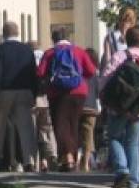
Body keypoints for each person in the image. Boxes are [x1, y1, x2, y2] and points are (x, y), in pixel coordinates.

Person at [38, 27, 97, 172]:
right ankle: (72, 158)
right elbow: (91, 71)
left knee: (60, 126)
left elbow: (40, 72)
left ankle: (68, 159)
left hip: (57, 93)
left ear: (54, 39)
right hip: (78, 93)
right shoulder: (79, 51)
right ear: (68, 37)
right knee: (73, 124)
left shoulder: (50, 53)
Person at [104, 27, 139, 188]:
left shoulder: (119, 56)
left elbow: (105, 78)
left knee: (114, 137)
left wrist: (106, 98)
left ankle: (122, 169)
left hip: (118, 106)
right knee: (133, 143)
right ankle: (134, 182)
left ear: (126, 40)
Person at [0, 22, 39, 172]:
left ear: (4, 33)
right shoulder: (27, 49)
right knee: (26, 128)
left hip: (5, 91)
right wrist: (34, 94)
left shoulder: (0, 49)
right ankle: (29, 161)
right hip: (25, 90)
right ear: (18, 33)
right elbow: (33, 72)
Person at [78, 47, 101, 172]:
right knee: (88, 135)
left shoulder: (79, 72)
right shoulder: (95, 74)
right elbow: (98, 92)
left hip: (78, 106)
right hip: (92, 107)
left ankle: (76, 159)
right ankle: (86, 163)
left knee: (77, 135)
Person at [101, 6, 137, 75]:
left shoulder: (110, 37)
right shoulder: (137, 36)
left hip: (116, 75)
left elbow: (108, 61)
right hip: (132, 74)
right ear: (133, 22)